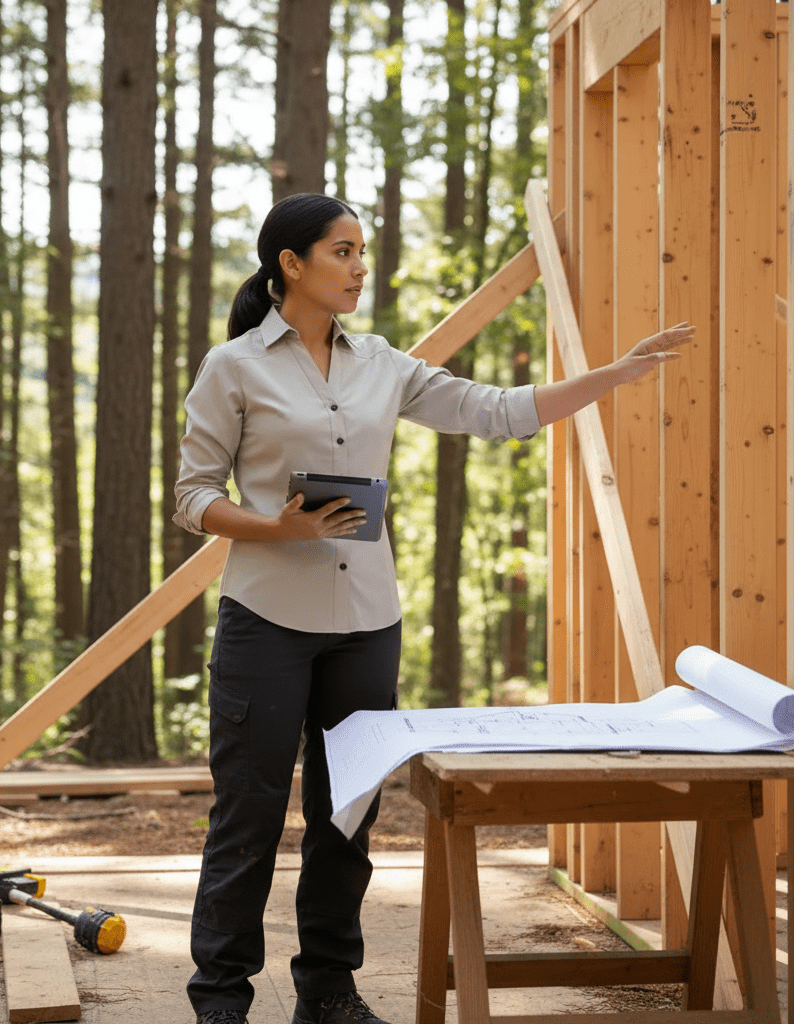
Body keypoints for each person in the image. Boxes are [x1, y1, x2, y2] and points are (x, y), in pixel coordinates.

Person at [173, 192, 695, 1024]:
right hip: (265, 623)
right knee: (248, 816)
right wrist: (276, 525)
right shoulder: (233, 366)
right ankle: (221, 1001)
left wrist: (614, 374)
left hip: (366, 625)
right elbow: (192, 498)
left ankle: (328, 994)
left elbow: (493, 411)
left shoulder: (383, 361)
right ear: (291, 265)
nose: (359, 267)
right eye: (342, 252)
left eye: (362, 251)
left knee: (347, 815)